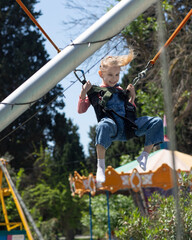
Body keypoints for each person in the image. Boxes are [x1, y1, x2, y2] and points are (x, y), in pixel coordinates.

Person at [77, 51, 163, 183]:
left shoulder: (120, 90)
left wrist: (132, 97)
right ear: (101, 74)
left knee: (156, 121)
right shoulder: (95, 92)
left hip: (129, 127)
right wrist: (83, 93)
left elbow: (130, 110)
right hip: (112, 128)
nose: (114, 78)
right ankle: (100, 166)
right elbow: (81, 110)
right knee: (102, 125)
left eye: (117, 75)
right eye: (110, 75)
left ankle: (145, 155)